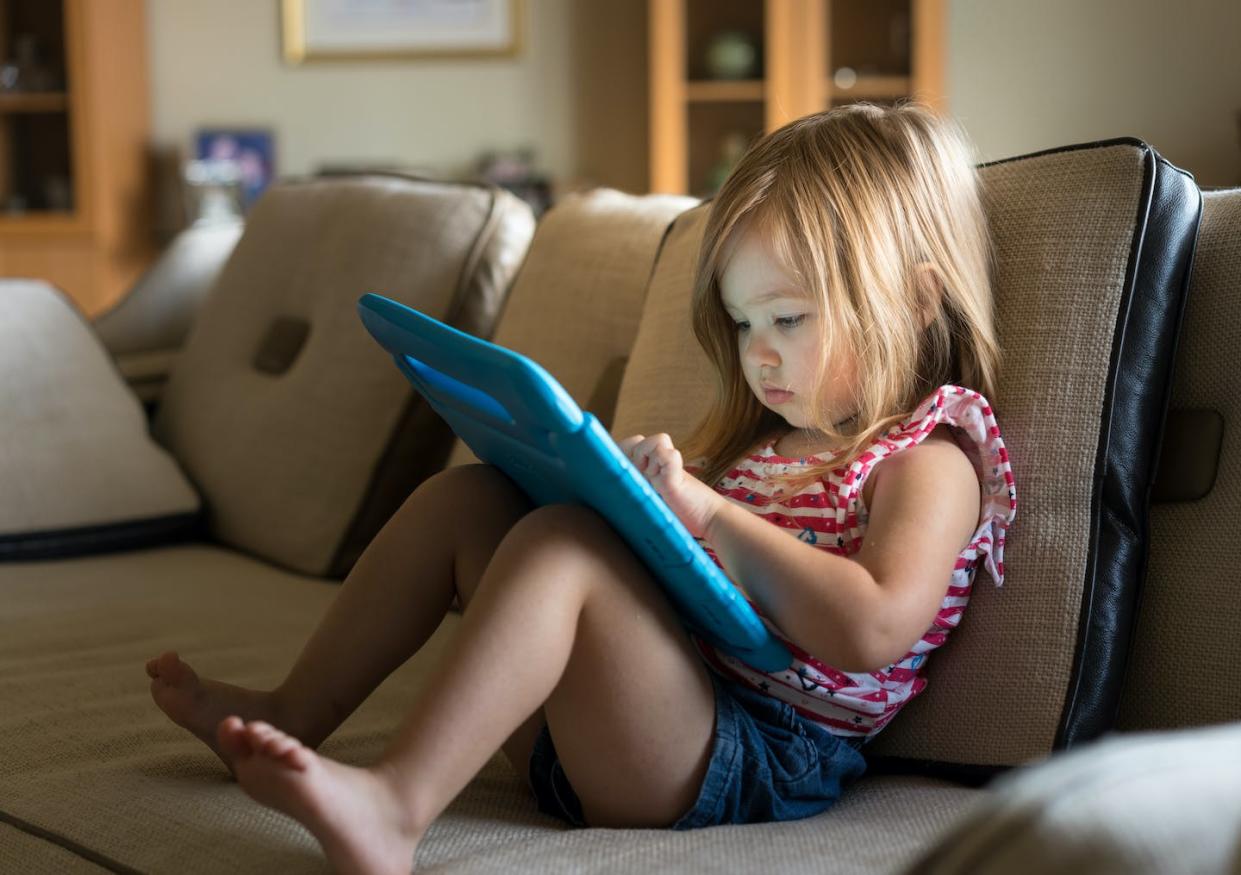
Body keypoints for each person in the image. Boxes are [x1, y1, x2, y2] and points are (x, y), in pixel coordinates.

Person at [145, 102, 1017, 875]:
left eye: (787, 318)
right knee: (469, 500)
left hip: (744, 756)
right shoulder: (771, 444)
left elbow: (870, 626)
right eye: (744, 322)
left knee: (565, 548)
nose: (757, 352)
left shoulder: (928, 457)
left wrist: (708, 516)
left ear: (912, 298)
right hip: (618, 726)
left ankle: (393, 809)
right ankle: (296, 713)